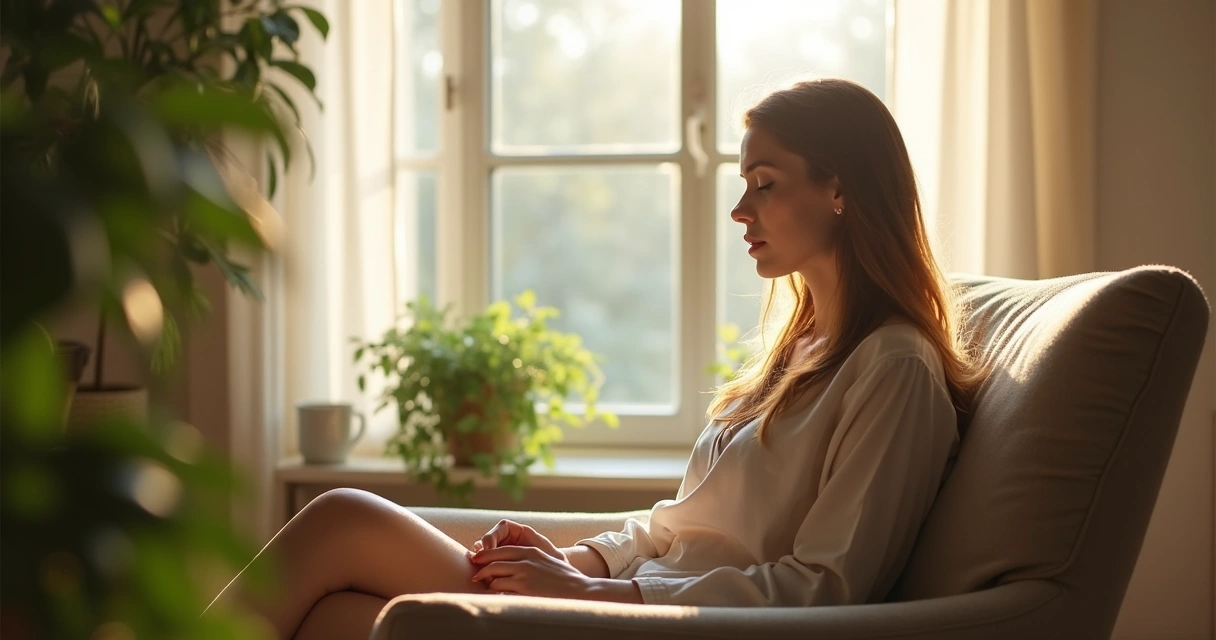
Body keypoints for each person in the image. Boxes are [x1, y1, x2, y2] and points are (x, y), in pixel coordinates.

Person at [205, 77, 983, 639]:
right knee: (343, 621)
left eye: (764, 183)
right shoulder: (800, 350)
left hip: (670, 627)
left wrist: (599, 596)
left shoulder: (893, 371)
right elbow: (679, 529)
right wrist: (579, 558)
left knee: (342, 518)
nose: (741, 210)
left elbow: (826, 590)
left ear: (840, 190)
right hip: (632, 601)